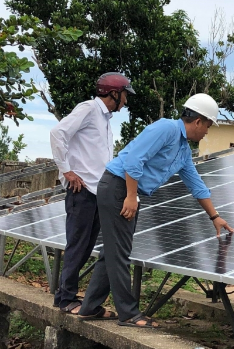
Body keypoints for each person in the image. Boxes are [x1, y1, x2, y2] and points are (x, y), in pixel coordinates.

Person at [78, 93, 234, 328]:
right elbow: (133, 160)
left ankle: (89, 308)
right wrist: (131, 197)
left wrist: (215, 216)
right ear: (198, 121)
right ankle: (128, 314)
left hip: (125, 190)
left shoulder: (183, 150)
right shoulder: (166, 129)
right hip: (118, 188)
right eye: (208, 126)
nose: (207, 132)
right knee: (119, 253)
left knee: (113, 251)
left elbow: (196, 185)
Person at [50, 72, 135, 315]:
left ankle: (68, 296)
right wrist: (67, 171)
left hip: (98, 192)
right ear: (113, 93)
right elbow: (57, 133)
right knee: (78, 244)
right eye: (125, 95)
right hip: (82, 191)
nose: (126, 101)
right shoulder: (88, 109)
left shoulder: (104, 118)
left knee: (86, 246)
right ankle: (65, 299)